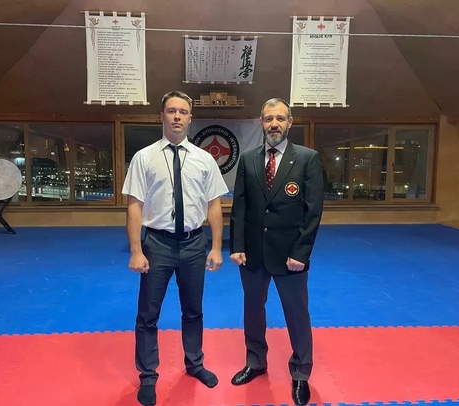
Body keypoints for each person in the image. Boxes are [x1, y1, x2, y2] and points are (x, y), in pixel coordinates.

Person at [122, 90, 229, 406]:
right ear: (162, 116)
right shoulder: (144, 157)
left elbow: (214, 205)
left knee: (193, 310)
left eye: (183, 111)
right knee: (148, 314)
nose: (177, 116)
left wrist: (216, 247)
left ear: (190, 118)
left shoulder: (204, 159)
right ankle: (148, 375)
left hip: (195, 244)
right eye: (171, 111)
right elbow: (134, 206)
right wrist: (136, 250)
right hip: (157, 244)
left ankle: (194, 364)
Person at [229, 98, 324, 405]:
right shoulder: (248, 159)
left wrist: (301, 253)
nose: (274, 124)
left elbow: (313, 212)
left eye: (280, 119)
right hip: (253, 253)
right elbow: (239, 206)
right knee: (253, 310)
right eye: (269, 118)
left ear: (290, 123)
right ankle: (255, 361)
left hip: (290, 255)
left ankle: (301, 372)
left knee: (296, 314)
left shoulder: (307, 159)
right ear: (261, 123)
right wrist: (237, 245)